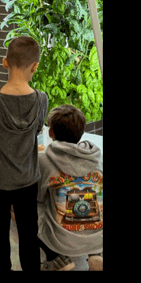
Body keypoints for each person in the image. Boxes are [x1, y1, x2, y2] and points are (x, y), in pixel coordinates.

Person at [0, 35, 48, 271]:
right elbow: (37, 130)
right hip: (27, 178)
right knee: (29, 231)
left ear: (4, 62)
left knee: (0, 229)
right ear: (35, 67)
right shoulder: (41, 100)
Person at [37, 104, 102, 271]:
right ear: (81, 132)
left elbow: (38, 198)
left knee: (26, 210)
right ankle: (95, 254)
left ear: (51, 133)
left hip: (61, 241)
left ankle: (56, 258)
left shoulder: (44, 161)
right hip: (98, 236)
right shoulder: (97, 157)